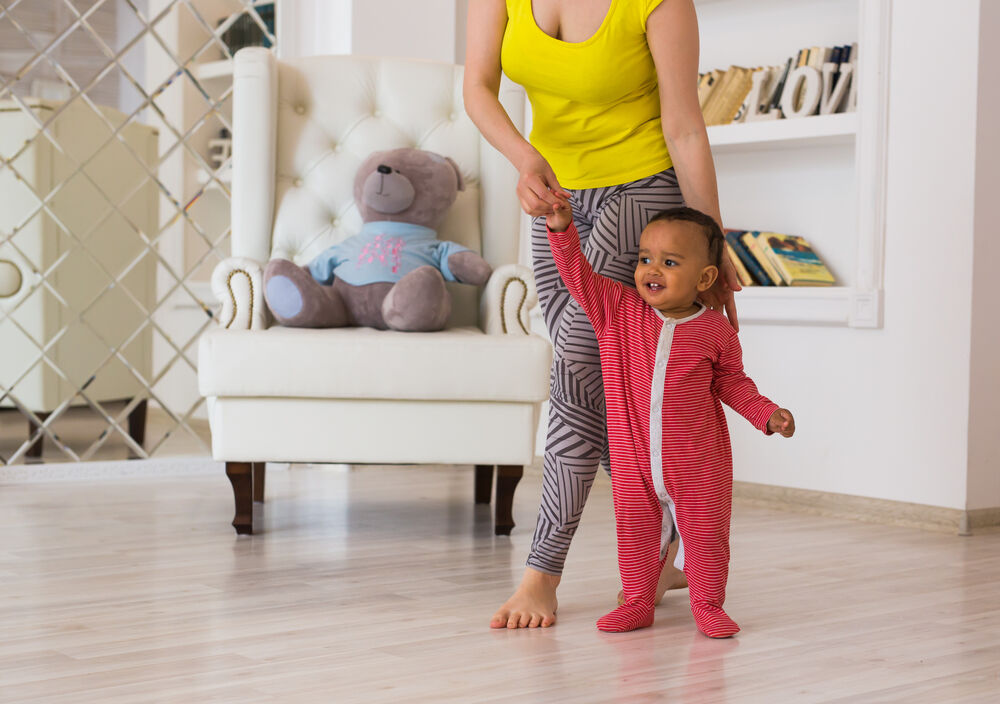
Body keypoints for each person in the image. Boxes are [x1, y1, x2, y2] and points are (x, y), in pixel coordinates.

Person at [465, 0, 741, 629]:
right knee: (610, 389)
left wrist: (712, 247)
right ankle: (672, 545)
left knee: (578, 373)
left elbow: (686, 128)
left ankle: (541, 572)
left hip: (641, 196)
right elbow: (477, 88)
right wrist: (524, 157)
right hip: (554, 201)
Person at [546, 201, 795, 636]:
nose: (651, 269)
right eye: (645, 258)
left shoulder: (715, 331)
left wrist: (767, 414)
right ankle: (639, 602)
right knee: (636, 536)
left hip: (699, 463)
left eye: (669, 261)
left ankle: (708, 605)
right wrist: (562, 229)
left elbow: (732, 383)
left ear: (704, 278)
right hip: (633, 460)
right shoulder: (617, 311)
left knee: (706, 537)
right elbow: (578, 277)